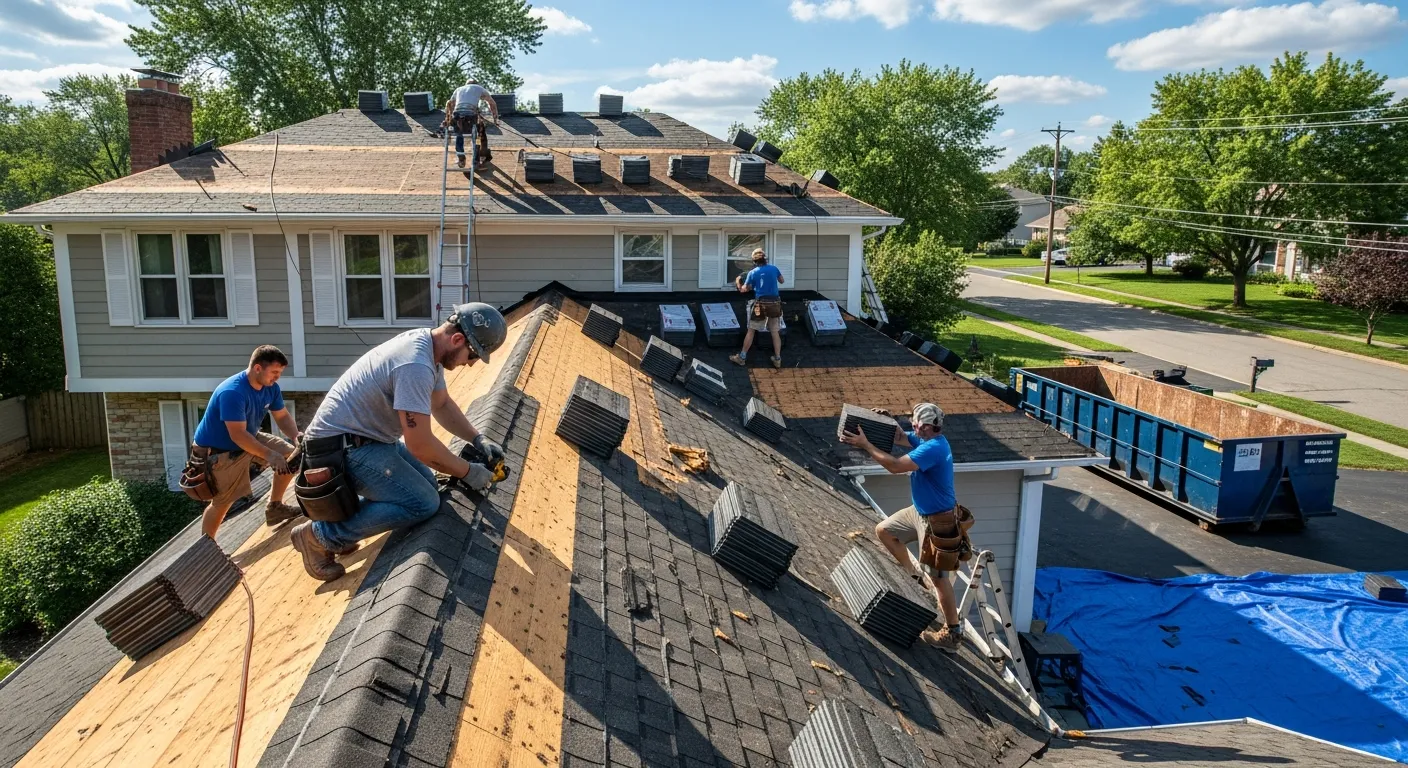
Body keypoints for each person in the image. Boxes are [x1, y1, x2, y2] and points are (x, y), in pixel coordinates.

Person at [290, 303, 510, 581]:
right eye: (473, 354)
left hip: (365, 440)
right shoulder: (415, 365)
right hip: (339, 450)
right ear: (457, 339)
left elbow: (441, 404)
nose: (470, 363)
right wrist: (468, 472)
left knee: (428, 485)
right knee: (422, 502)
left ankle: (343, 523)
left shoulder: (428, 348)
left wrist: (477, 439)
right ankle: (319, 536)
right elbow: (420, 446)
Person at [839, 403, 964, 653]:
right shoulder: (926, 438)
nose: (912, 427)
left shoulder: (934, 448)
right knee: (885, 531)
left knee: (939, 579)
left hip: (939, 521)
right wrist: (887, 421)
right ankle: (916, 577)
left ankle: (952, 634)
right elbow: (899, 437)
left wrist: (865, 445)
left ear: (926, 427)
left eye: (915, 424)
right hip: (919, 511)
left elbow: (895, 466)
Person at [190, 345, 300, 539]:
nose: (277, 377)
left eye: (280, 373)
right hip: (218, 451)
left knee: (291, 456)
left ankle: (275, 507)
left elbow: (282, 416)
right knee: (223, 502)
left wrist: (296, 436)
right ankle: (206, 548)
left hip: (247, 436)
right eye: (274, 372)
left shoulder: (271, 388)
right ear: (257, 368)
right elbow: (238, 435)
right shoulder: (232, 392)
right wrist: (269, 454)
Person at [728, 248, 785, 369]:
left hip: (761, 304)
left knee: (751, 330)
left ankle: (742, 358)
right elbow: (782, 281)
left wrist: (738, 281)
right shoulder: (774, 268)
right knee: (775, 331)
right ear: (765, 259)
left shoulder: (753, 273)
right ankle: (777, 359)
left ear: (754, 261)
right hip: (775, 303)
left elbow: (744, 290)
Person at [443, 79, 498, 169]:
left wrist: (449, 118)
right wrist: (495, 118)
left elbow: (450, 104)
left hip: (457, 116)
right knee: (478, 137)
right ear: (476, 84)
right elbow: (492, 103)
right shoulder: (479, 88)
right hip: (470, 117)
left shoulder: (458, 89)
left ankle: (461, 158)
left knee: (459, 135)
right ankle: (476, 161)